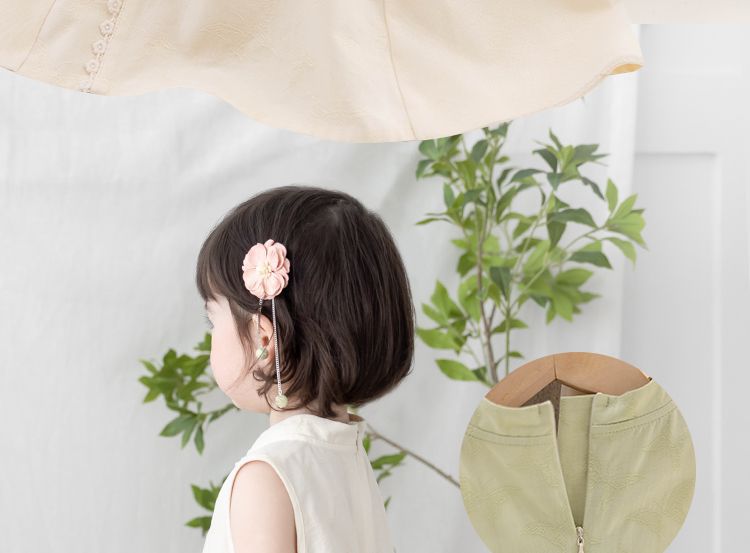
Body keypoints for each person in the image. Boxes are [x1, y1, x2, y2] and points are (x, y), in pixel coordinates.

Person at [196, 185, 414, 553]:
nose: (210, 339)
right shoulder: (346, 459)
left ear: (264, 339)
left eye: (212, 321)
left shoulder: (266, 477)